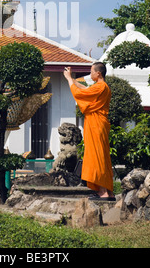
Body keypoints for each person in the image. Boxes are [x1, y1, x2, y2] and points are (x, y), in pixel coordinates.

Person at [63, 62, 115, 200]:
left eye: (92, 72)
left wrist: (69, 80)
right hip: (98, 124)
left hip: (96, 125)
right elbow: (84, 88)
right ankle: (107, 191)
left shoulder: (101, 87)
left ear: (98, 73)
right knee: (101, 155)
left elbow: (80, 93)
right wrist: (72, 78)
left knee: (96, 155)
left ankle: (103, 192)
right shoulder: (102, 87)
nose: (90, 74)